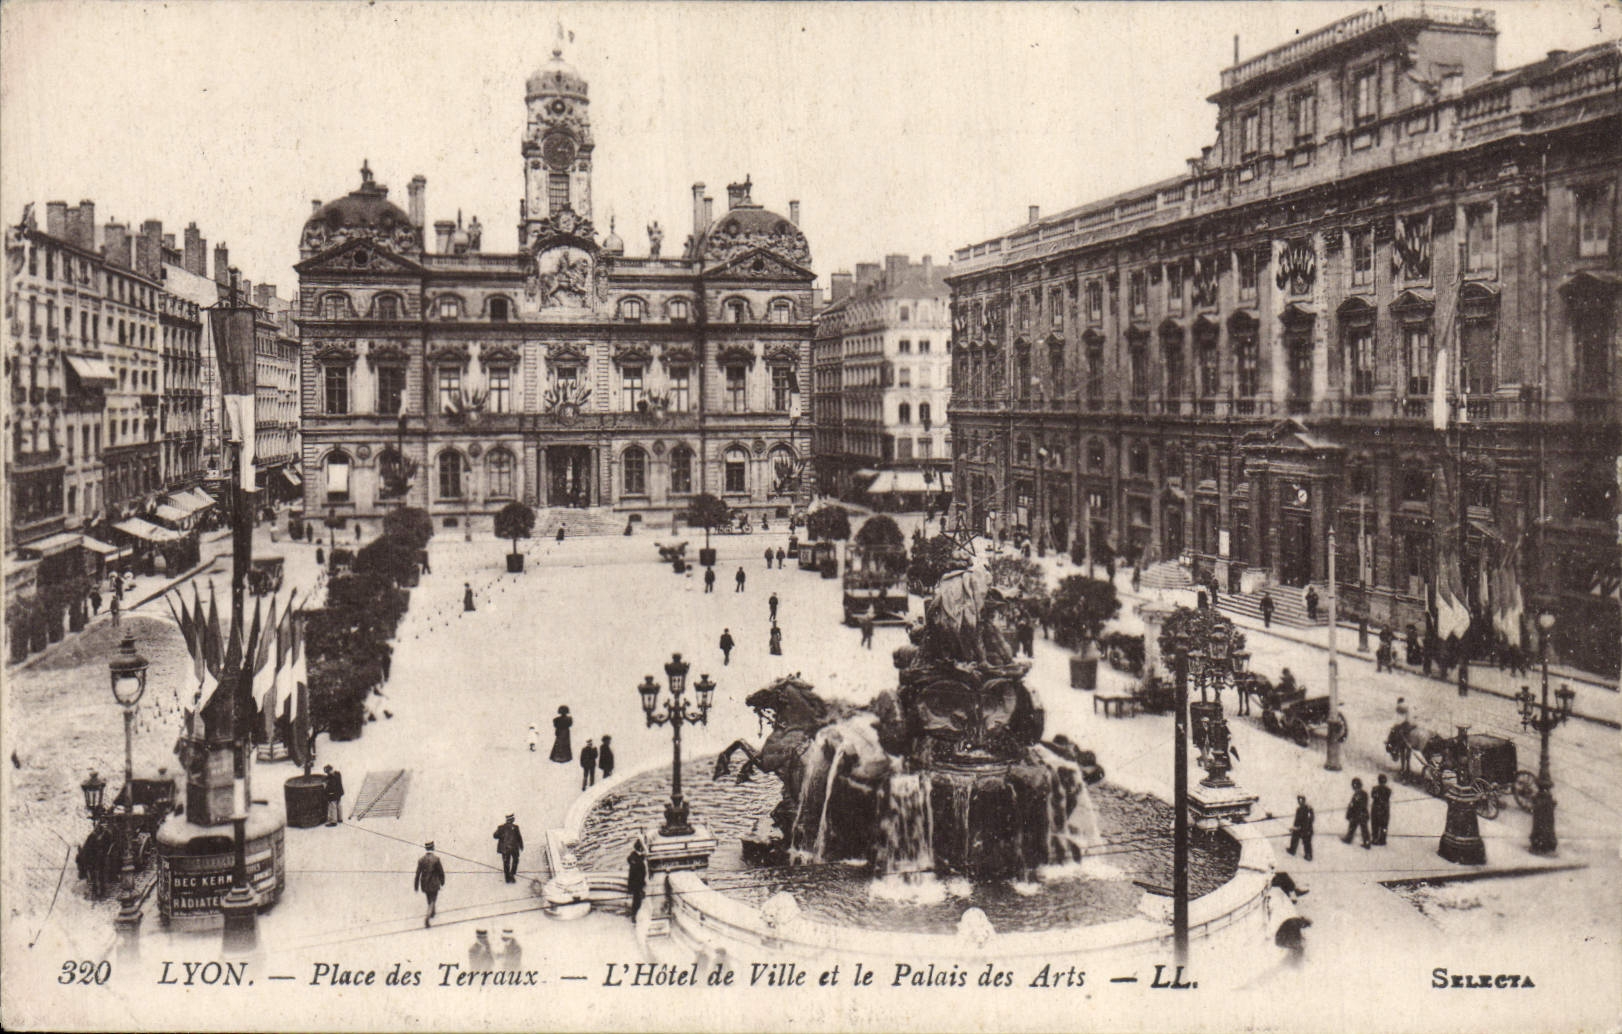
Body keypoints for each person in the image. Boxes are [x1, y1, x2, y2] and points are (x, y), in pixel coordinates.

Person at [414, 841, 446, 926]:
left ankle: (432, 912)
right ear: (433, 848)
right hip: (434, 884)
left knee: (429, 899)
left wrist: (416, 886)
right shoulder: (436, 859)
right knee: (433, 900)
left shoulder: (421, 860)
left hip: (425, 884)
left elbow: (417, 874)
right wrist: (442, 881)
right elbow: (441, 872)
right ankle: (427, 917)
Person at [493, 813, 524, 883]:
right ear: (512, 819)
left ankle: (507, 878)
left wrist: (501, 835)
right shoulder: (516, 827)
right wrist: (521, 846)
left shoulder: (501, 827)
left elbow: (495, 836)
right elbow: (519, 837)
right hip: (514, 848)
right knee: (515, 860)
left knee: (506, 862)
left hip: (505, 849)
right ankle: (512, 874)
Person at [1342, 778, 1371, 848]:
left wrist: (1350, 813)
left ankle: (1349, 839)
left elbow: (1354, 805)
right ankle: (1366, 842)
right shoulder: (1363, 793)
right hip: (1362, 814)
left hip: (1358, 814)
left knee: (1354, 827)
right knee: (1363, 829)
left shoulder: (1358, 794)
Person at [1286, 794, 1314, 861]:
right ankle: (1292, 850)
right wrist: (1294, 828)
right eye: (1299, 800)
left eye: (1301, 800)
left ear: (1304, 801)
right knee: (1295, 836)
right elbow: (1296, 821)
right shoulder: (1299, 809)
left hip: (1307, 829)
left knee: (1306, 841)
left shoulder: (1308, 809)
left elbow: (1310, 820)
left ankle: (1308, 855)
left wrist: (1303, 828)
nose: (1300, 802)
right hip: (1299, 828)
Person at [626, 840, 648, 919]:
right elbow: (639, 874)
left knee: (636, 900)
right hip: (637, 884)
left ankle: (635, 915)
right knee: (637, 901)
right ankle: (634, 916)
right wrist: (642, 886)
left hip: (635, 883)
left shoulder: (634, 857)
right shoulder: (637, 860)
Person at [1370, 774, 1392, 846]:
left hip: (1376, 809)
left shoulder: (1375, 789)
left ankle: (1375, 838)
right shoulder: (1388, 790)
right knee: (1384, 825)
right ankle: (1382, 839)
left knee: (1375, 825)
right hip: (1385, 810)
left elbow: (1373, 796)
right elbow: (1387, 798)